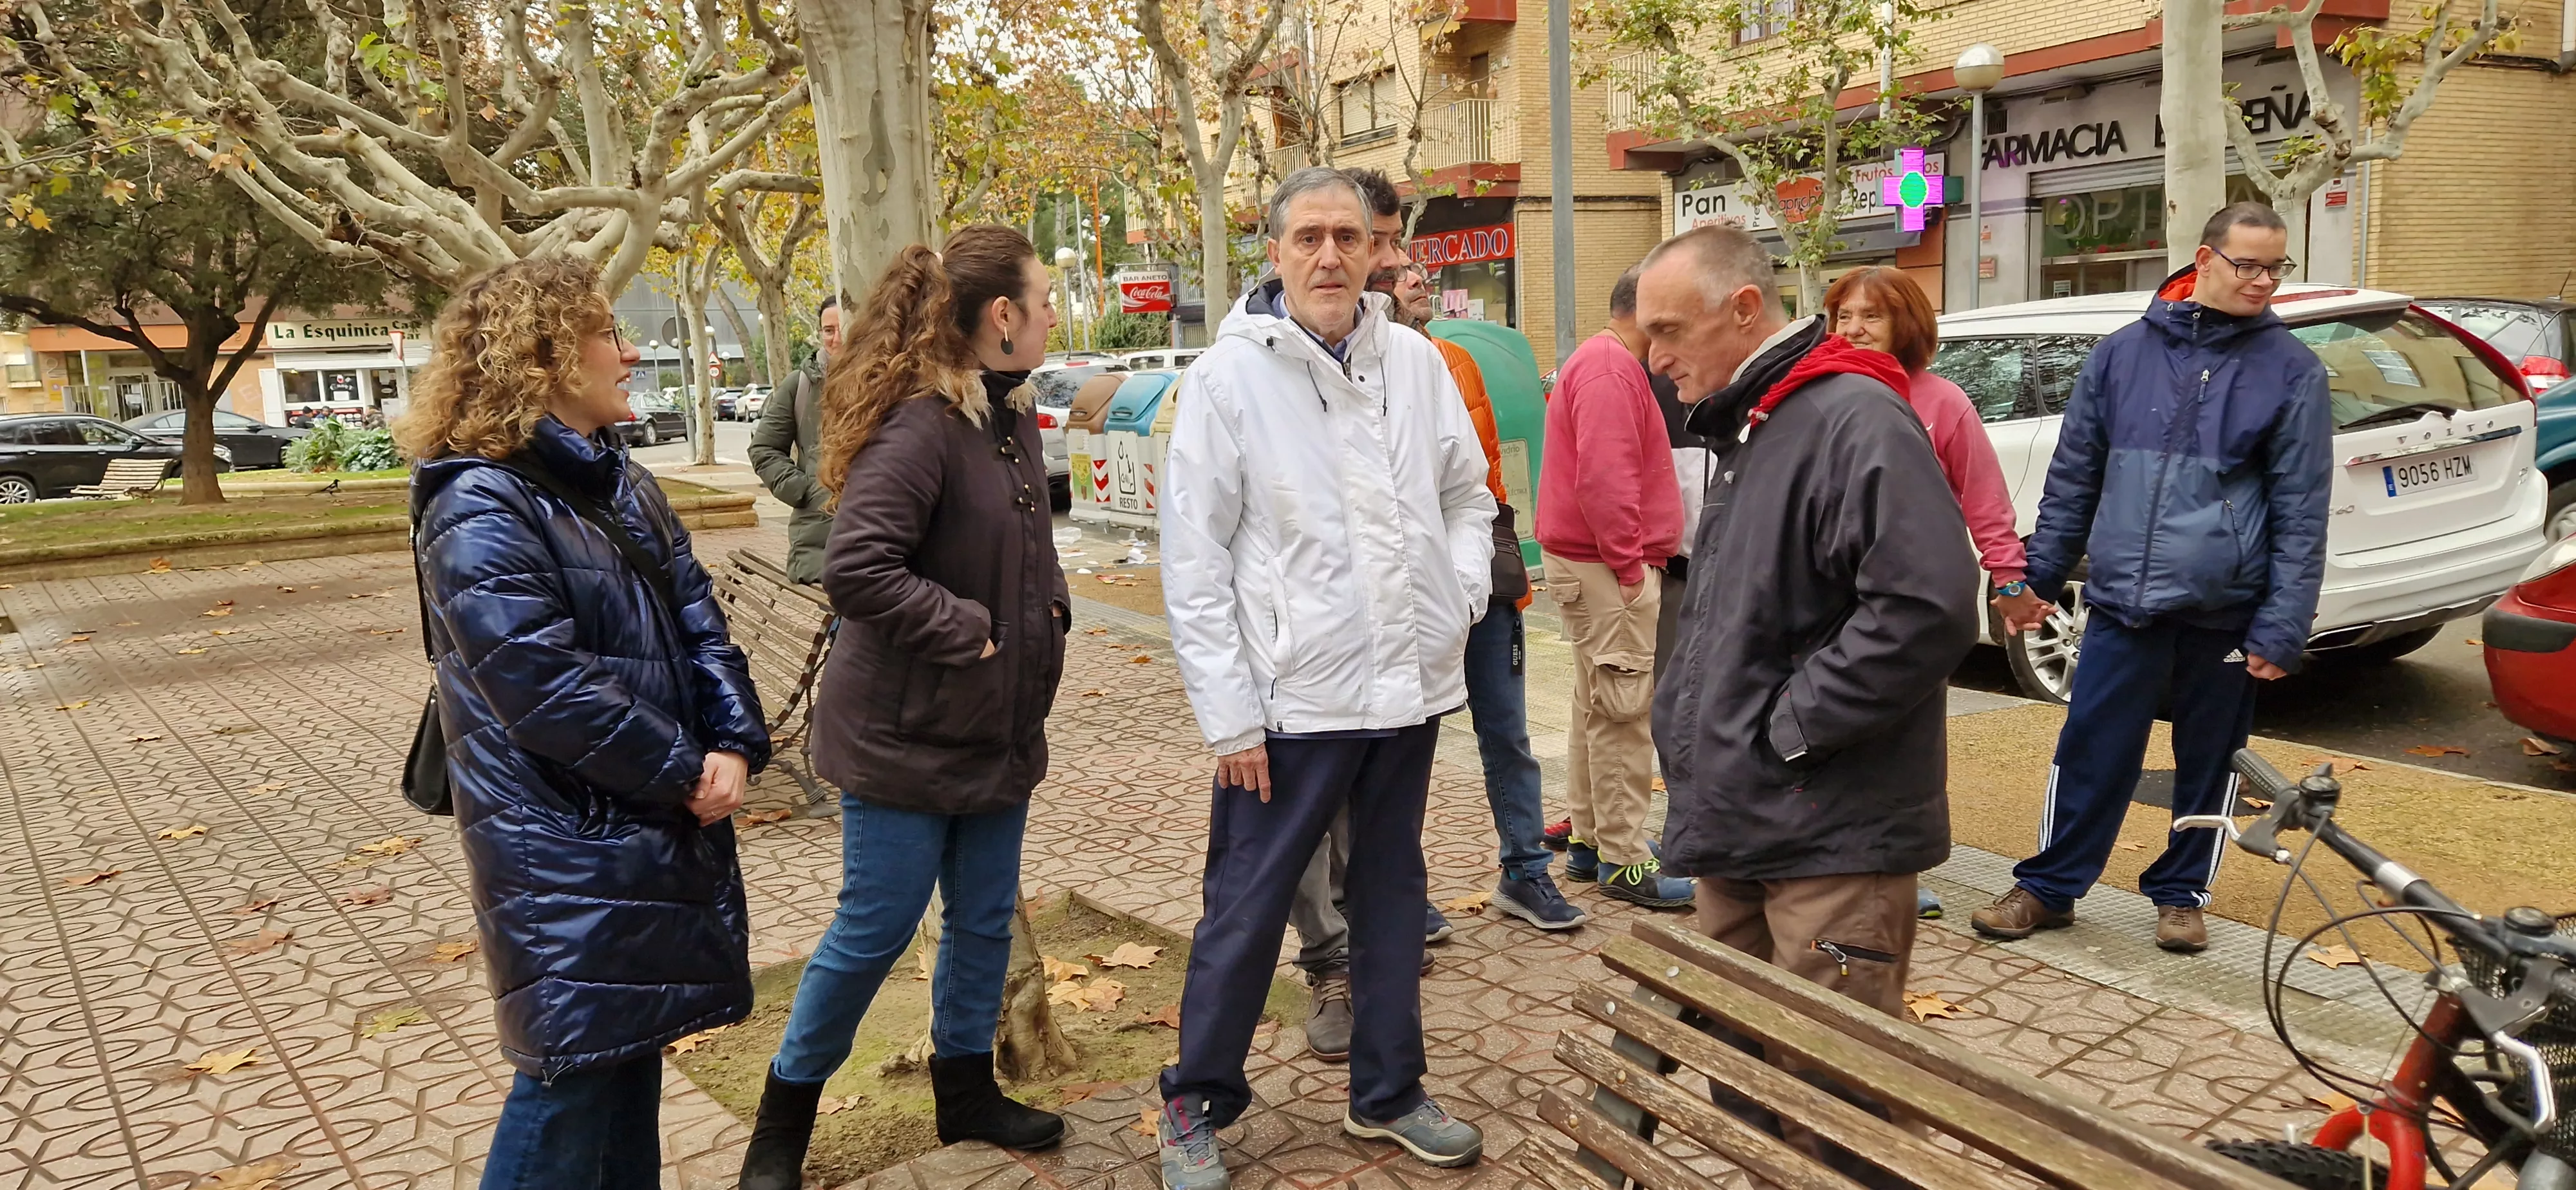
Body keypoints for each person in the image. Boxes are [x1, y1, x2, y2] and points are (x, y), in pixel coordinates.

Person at [396, 256, 770, 1189]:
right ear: (545, 356)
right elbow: (542, 684)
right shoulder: (479, 500)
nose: (630, 350)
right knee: (568, 1085)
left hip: (634, 825)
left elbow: (698, 620)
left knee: (625, 1058)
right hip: (559, 840)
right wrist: (687, 770)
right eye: (608, 333)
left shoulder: (621, 483)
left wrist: (732, 739)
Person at [1157, 166, 1497, 1190]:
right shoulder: (1228, 380)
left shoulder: (1419, 363)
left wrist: (1461, 596)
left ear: (1376, 249)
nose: (1330, 256)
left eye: (1348, 237)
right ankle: (1193, 1103)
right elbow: (1194, 560)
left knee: (1393, 897)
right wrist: (1229, 721)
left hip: (1409, 689)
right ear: (1275, 252)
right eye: (1308, 237)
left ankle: (1387, 1094)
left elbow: (1468, 497)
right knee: (1247, 908)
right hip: (1286, 708)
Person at [735, 226, 1072, 1189]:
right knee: (873, 929)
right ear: (1001, 317)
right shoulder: (923, 424)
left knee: (976, 922)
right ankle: (782, 1128)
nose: (1052, 312)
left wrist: (1040, 621)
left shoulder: (1008, 419)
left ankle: (964, 1090)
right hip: (903, 736)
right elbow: (858, 566)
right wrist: (963, 626)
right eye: (1043, 298)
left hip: (995, 730)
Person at [1637, 226, 1978, 1162]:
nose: (1655, 358)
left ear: (1744, 309)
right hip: (1747, 818)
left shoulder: (1848, 417)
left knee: (1838, 1115)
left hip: (1825, 830)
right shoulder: (1763, 421)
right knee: (1745, 1077)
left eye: (1670, 330)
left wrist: (1785, 732)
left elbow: (1928, 605)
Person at [1970, 202, 2331, 954]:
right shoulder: (2120, 356)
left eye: (2276, 266)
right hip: (2121, 604)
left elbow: (2302, 510)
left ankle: (2180, 895)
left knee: (2209, 760)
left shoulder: (2291, 371)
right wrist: (2033, 581)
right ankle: (2049, 886)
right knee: (2091, 747)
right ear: (2204, 260)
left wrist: (2282, 624)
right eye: (2248, 264)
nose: (2264, 281)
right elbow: (2072, 482)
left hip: (2224, 611)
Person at [1820, 265, 2054, 921]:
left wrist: (2008, 581)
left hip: (1911, 599)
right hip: (1828, 595)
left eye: (1872, 316)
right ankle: (1835, 854)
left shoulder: (1941, 402)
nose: (1855, 329)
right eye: (1844, 316)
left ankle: (1894, 867)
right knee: (1830, 724)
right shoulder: (1818, 394)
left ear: (1907, 325)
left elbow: (1984, 501)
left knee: (1906, 739)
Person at [1536, 268, 1694, 909]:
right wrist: (1631, 567)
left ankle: (1591, 838)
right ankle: (1623, 861)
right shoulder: (1609, 368)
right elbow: (1605, 480)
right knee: (1624, 713)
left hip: (1592, 561)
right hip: (1606, 566)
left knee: (1597, 706)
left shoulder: (1600, 361)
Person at [749, 296, 843, 583]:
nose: (837, 339)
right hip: (820, 543)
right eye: (829, 330)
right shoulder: (800, 385)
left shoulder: (889, 380)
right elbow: (764, 449)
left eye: (844, 328)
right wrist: (806, 490)